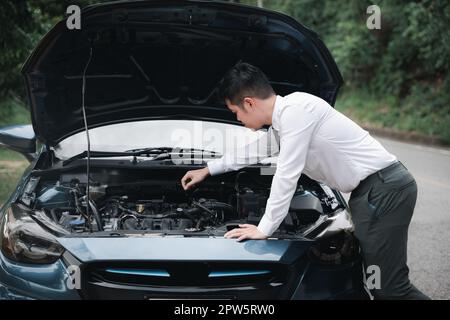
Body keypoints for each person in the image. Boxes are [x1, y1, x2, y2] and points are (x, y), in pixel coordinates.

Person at [180, 62, 429, 300]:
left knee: (390, 288)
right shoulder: (286, 120)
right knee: (380, 283)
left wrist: (264, 228)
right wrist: (208, 169)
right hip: (373, 191)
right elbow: (254, 151)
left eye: (235, 113)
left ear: (249, 103)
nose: (238, 120)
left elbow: (287, 172)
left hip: (384, 189)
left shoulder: (296, 113)